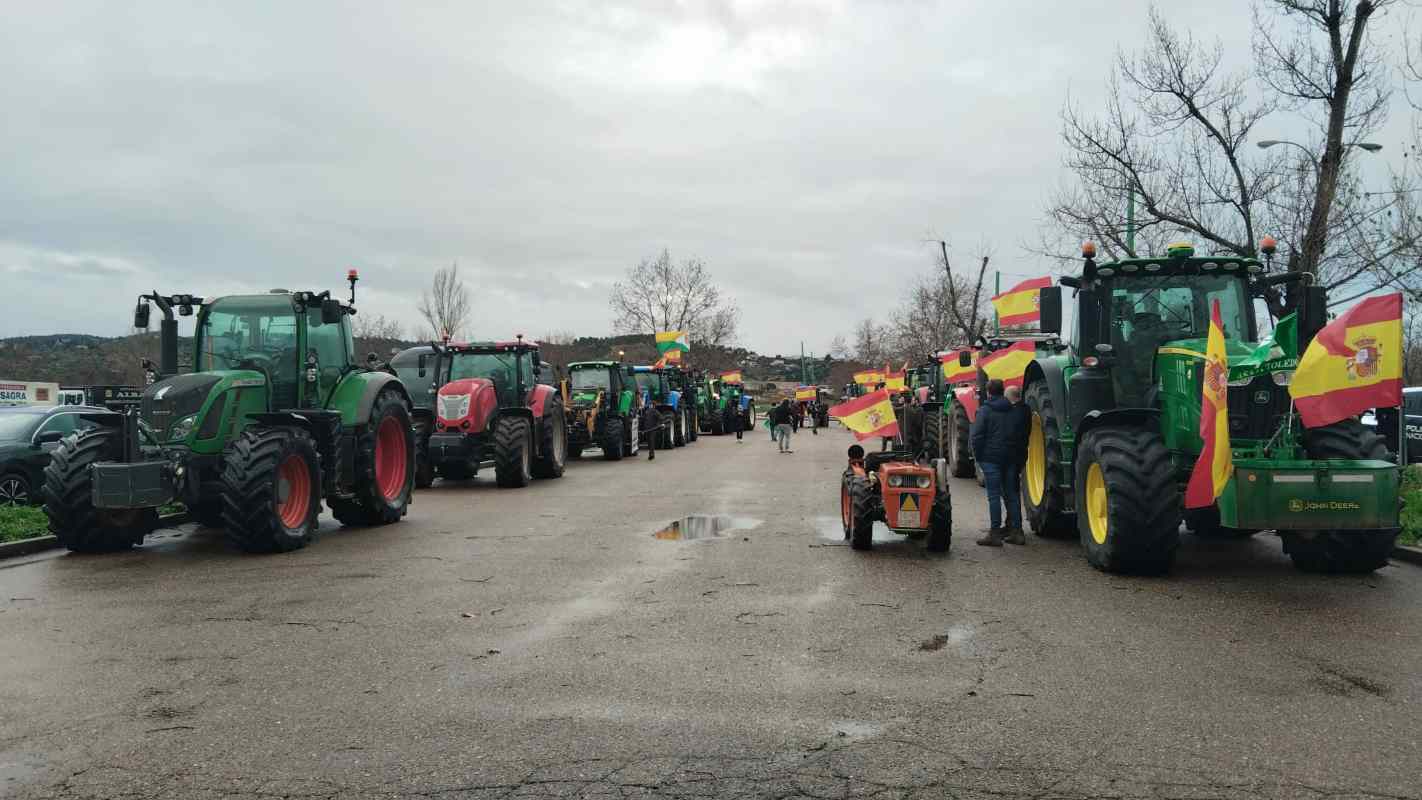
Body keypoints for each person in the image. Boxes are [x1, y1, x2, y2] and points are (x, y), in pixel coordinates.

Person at [970, 379, 1027, 546]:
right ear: (1002, 391)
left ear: (988, 392)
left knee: (994, 496)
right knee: (1012, 495)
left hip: (991, 458)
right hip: (1009, 458)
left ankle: (994, 534)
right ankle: (1017, 532)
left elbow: (977, 436)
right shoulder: (1012, 410)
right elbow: (1016, 434)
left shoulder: (985, 411)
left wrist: (979, 457)